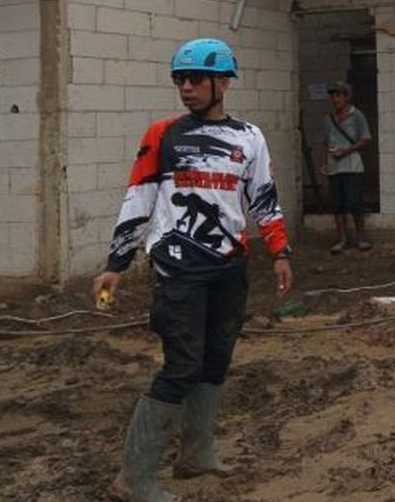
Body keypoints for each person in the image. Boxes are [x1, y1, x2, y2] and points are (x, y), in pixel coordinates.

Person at [93, 38, 293, 501]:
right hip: (179, 270)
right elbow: (138, 196)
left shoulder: (249, 138)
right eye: (180, 79)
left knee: (215, 360)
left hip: (229, 267)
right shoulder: (162, 134)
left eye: (196, 79)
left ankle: (197, 454)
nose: (186, 88)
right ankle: (134, 478)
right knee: (181, 366)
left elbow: (263, 198)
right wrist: (116, 263)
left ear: (223, 82)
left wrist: (280, 252)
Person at [320, 81, 373, 253]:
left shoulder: (357, 116)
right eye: (333, 96)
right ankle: (342, 238)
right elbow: (325, 142)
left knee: (355, 203)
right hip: (334, 167)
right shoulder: (328, 119)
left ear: (347, 97)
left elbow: (365, 138)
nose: (335, 99)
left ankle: (360, 237)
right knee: (338, 204)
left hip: (352, 166)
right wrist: (323, 163)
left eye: (339, 95)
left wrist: (346, 150)